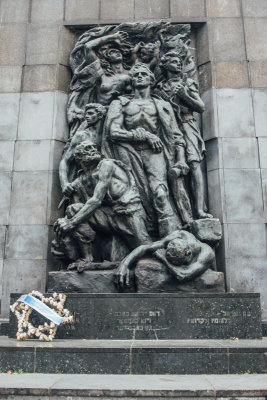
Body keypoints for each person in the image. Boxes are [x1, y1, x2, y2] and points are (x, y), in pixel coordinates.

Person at [103, 63, 189, 237]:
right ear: (132, 81)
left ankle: (170, 238)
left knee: (160, 193)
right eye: (136, 75)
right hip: (126, 151)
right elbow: (113, 132)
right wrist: (143, 136)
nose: (140, 76)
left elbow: (176, 136)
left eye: (144, 74)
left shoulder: (162, 105)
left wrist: (181, 160)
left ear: (151, 79)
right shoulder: (120, 103)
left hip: (155, 152)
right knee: (133, 196)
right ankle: (142, 238)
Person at [53, 141, 151, 267]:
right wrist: (67, 187)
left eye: (94, 147)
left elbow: (96, 200)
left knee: (145, 249)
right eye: (88, 148)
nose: (93, 149)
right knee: (73, 210)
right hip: (109, 215)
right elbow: (73, 188)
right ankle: (87, 259)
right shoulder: (83, 176)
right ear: (79, 157)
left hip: (127, 213)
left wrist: (71, 223)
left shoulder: (106, 165)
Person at [157, 51, 212, 218]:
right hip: (166, 129)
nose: (178, 64)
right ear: (165, 65)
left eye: (180, 61)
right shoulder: (159, 87)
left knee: (194, 164)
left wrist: (184, 96)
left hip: (186, 124)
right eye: (173, 61)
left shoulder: (186, 83)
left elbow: (200, 107)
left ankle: (199, 209)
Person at [68, 30, 131, 136]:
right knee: (79, 136)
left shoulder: (130, 75)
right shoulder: (101, 74)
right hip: (97, 115)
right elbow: (88, 47)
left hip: (118, 116)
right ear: (106, 58)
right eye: (112, 52)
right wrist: (113, 36)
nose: (117, 53)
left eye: (118, 51)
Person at [116, 229, 215, 288]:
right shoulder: (178, 235)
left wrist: (163, 259)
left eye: (179, 264)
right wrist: (125, 264)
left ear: (188, 254)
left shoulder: (207, 254)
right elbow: (146, 248)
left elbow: (183, 275)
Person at [59, 103, 106, 199]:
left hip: (106, 176)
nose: (86, 117)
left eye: (90, 113)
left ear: (100, 115)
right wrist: (64, 183)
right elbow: (65, 161)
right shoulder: (81, 136)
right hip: (87, 180)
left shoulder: (108, 134)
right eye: (86, 114)